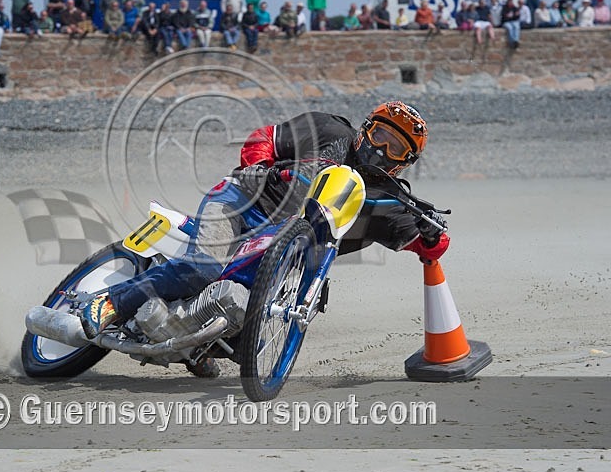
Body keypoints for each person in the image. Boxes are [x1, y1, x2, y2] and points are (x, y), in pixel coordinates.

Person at [76, 102, 448, 379]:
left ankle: (194, 346)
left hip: (284, 250)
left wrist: (432, 236)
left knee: (248, 341)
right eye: (380, 135)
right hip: (243, 201)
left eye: (395, 148)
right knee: (202, 269)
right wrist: (259, 166)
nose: (382, 149)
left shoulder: (392, 202)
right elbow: (266, 136)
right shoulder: (330, 130)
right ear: (366, 128)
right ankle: (110, 303)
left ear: (404, 162)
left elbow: (428, 246)